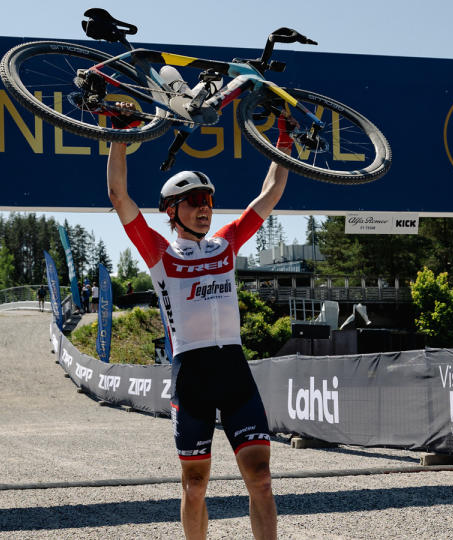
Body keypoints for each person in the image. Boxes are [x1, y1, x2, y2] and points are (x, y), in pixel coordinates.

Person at [106, 103, 293, 539]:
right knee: (194, 487)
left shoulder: (225, 244)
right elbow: (119, 197)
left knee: (261, 478)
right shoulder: (160, 254)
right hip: (191, 373)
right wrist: (119, 137)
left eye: (208, 201)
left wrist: (283, 142)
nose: (205, 209)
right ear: (171, 211)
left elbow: (269, 193)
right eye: (193, 202)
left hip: (234, 369)